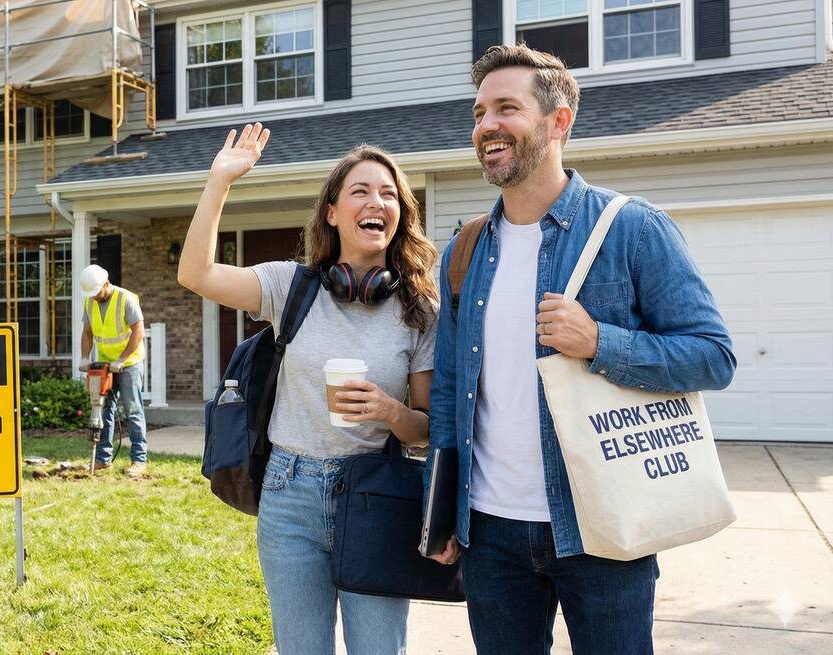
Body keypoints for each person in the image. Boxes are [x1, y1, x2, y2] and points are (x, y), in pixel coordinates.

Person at [424, 45, 735, 654]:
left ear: (559, 121)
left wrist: (599, 343)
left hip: (603, 527)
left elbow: (712, 355)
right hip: (489, 531)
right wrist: (442, 513)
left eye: (506, 108)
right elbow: (448, 393)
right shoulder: (464, 249)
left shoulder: (631, 228)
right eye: (479, 112)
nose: (486, 125)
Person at [177, 123, 439, 654]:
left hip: (375, 498)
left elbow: (427, 430)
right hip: (289, 493)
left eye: (389, 193)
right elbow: (196, 273)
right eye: (361, 191)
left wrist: (390, 409)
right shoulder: (288, 286)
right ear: (333, 213)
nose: (377, 201)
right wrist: (220, 181)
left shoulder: (419, 310)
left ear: (401, 215)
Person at [77, 264, 149, 477]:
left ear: (106, 284)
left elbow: (139, 331)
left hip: (129, 364)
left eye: (97, 292)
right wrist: (84, 356)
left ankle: (139, 460)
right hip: (105, 364)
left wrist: (123, 359)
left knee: (133, 411)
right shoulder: (90, 301)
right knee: (103, 410)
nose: (94, 297)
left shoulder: (125, 299)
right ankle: (103, 459)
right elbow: (88, 332)